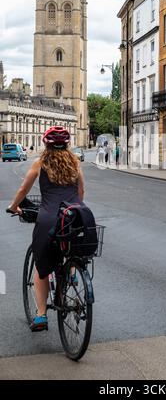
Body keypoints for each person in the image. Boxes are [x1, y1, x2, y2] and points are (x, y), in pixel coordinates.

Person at [8, 126, 85, 332]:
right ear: (67, 145)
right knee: (69, 247)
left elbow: (24, 188)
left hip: (49, 218)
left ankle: (41, 315)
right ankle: (71, 271)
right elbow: (81, 191)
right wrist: (74, 209)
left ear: (45, 144)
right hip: (75, 216)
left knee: (41, 270)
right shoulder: (75, 163)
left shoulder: (40, 162)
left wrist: (14, 206)